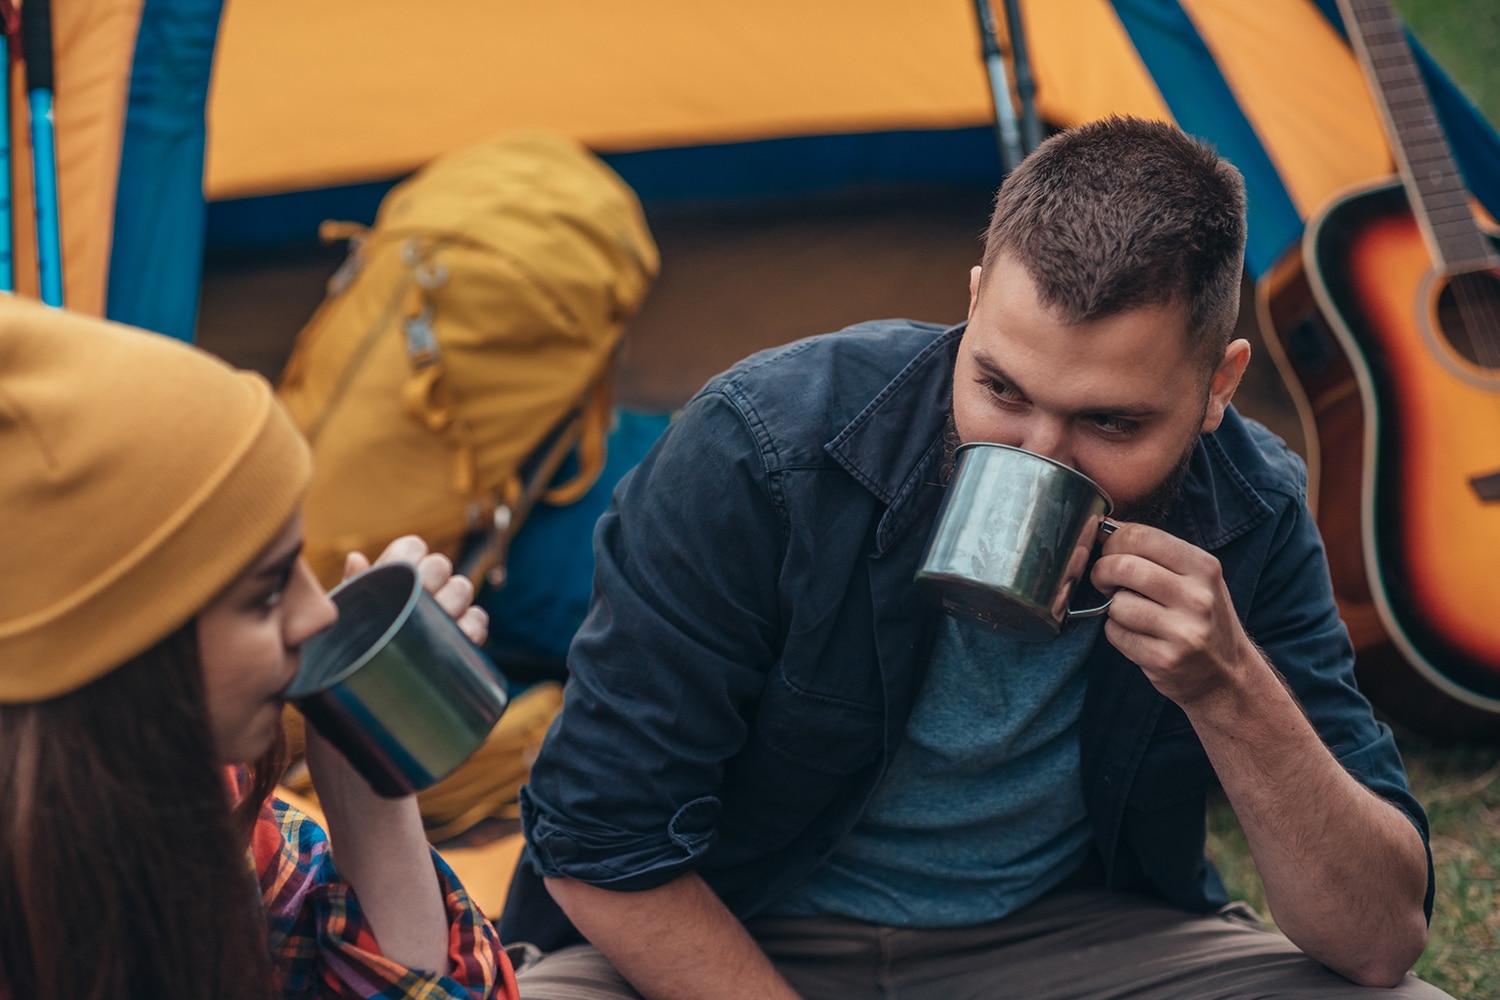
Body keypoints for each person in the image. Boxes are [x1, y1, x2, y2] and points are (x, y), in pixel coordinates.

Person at [500, 118, 1449, 999]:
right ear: (972, 303)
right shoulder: (763, 451)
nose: (1037, 457)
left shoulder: (1249, 508)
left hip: (1062, 941)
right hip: (740, 927)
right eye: (1000, 388)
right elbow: (603, 841)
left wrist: (1231, 686)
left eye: (1109, 421)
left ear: (1217, 387)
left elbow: (1376, 939)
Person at [0, 300, 521, 1000]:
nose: (318, 612)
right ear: (120, 646)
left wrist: (370, 793)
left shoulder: (202, 793)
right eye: (267, 592)